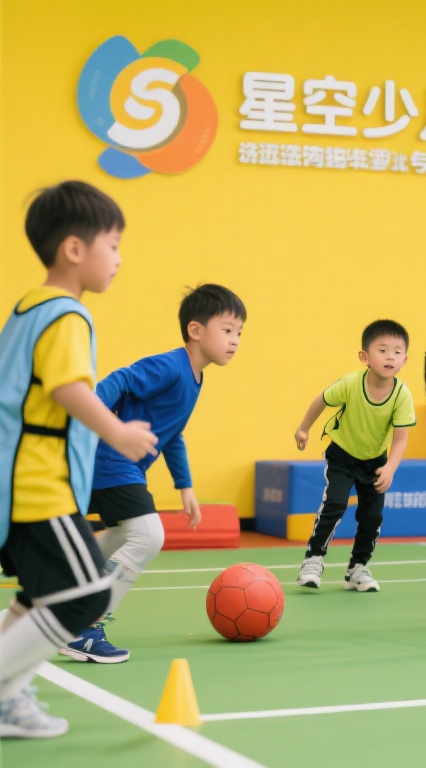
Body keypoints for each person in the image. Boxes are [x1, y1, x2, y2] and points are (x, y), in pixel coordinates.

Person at [0, 181, 158, 738]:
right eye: (112, 245)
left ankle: (8, 699)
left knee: (39, 598)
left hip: (18, 484)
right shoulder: (67, 315)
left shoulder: (26, 309)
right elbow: (68, 388)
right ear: (74, 248)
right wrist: (116, 431)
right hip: (38, 487)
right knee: (87, 595)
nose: (118, 259)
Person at [59, 284, 247, 664]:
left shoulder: (195, 378)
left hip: (117, 465)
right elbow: (122, 379)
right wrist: (95, 418)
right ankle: (85, 626)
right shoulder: (172, 366)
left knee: (125, 534)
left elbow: (172, 433)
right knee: (148, 535)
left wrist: (185, 486)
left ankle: (67, 588)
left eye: (239, 333)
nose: (235, 341)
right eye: (228, 330)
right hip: (111, 460)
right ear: (196, 330)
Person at [295, 320, 415, 592]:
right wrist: (303, 429)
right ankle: (313, 559)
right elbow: (321, 400)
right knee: (334, 504)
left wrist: (390, 468)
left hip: (375, 462)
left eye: (397, 352)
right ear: (364, 356)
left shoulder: (401, 395)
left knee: (372, 516)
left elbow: (400, 438)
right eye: (382, 350)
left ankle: (357, 568)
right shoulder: (350, 383)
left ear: (405, 359)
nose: (390, 357)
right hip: (342, 456)